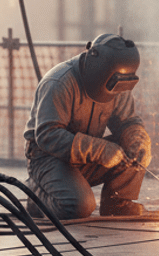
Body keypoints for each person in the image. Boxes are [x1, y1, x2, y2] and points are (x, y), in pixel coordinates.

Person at [23, 33, 152, 219]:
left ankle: (117, 203)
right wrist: (100, 150)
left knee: (134, 149)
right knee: (79, 206)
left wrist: (136, 137)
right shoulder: (59, 83)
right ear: (97, 69)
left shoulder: (118, 80)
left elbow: (128, 122)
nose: (116, 92)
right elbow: (47, 135)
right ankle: (36, 196)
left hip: (85, 157)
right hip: (47, 158)